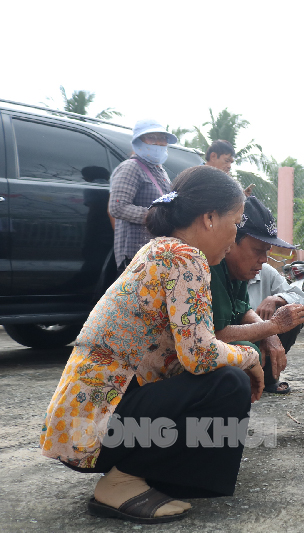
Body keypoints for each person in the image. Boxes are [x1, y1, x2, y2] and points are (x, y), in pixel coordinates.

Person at [40, 166, 267, 524]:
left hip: (87, 427)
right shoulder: (184, 258)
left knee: (223, 373)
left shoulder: (159, 250)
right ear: (209, 218)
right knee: (228, 381)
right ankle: (122, 480)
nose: (235, 233)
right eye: (236, 222)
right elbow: (201, 353)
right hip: (102, 432)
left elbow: (188, 350)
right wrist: (251, 357)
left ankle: (149, 476)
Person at [210, 196, 304, 394]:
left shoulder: (237, 270)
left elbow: (242, 308)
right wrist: (272, 326)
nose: (263, 260)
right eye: (257, 250)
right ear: (230, 241)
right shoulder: (212, 266)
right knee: (247, 351)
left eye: (267, 252)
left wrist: (270, 334)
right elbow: (213, 335)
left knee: (284, 318)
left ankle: (265, 378)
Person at [109, 119, 177, 275]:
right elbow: (117, 206)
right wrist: (155, 216)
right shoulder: (131, 167)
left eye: (162, 138)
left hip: (155, 252)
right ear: (138, 142)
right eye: (152, 138)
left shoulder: (160, 171)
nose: (159, 143)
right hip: (135, 253)